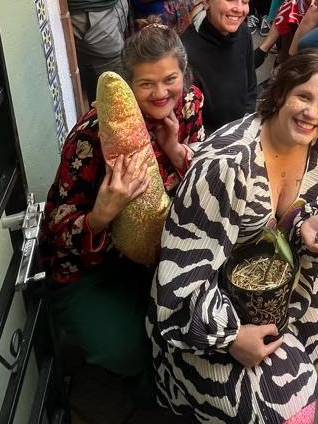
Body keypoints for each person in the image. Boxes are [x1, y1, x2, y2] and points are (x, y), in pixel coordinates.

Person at [150, 51, 318, 423]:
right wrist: (232, 337)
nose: (312, 113)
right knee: (293, 408)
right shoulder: (227, 166)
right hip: (208, 301)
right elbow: (184, 270)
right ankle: (185, 384)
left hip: (277, 283)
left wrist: (310, 227)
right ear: (281, 92)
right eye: (304, 97)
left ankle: (285, 355)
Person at [37, 26, 205, 401]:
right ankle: (154, 396)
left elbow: (203, 182)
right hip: (90, 271)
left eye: (170, 79)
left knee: (194, 327)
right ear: (128, 85)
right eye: (146, 84)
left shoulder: (189, 105)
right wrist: (101, 215)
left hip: (163, 250)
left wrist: (176, 151)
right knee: (134, 351)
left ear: (184, 73)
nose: (161, 93)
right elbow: (56, 234)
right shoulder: (91, 136)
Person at [181, 0, 257, 134]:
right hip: (209, 140)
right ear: (208, 1)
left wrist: (244, 127)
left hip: (242, 130)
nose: (239, 9)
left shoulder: (243, 32)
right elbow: (192, 118)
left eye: (245, 1)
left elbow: (251, 88)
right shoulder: (187, 52)